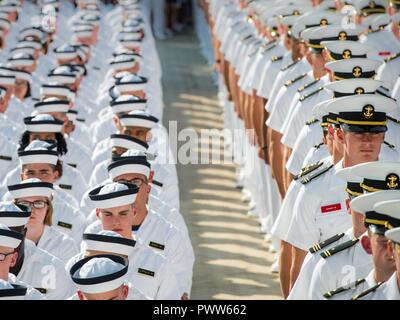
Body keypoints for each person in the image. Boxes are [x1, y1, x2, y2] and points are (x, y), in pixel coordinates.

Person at [7, 178, 79, 265]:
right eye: (24, 204)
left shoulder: (65, 244)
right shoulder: (3, 239)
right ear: (14, 207)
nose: (31, 209)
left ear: (48, 208)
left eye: (38, 203)